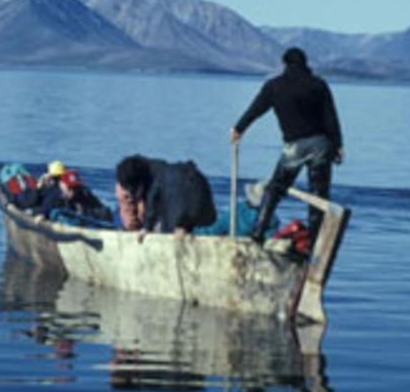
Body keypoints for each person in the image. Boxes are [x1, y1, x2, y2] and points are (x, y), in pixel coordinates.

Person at [230, 47, 344, 245]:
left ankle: (258, 231)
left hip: (294, 147)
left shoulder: (275, 86)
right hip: (320, 145)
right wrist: (338, 146)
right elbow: (330, 117)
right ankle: (315, 241)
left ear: (284, 63)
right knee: (318, 196)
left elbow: (255, 109)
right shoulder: (318, 85)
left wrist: (239, 129)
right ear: (305, 63)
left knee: (275, 189)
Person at [116, 155, 216, 242]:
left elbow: (152, 203)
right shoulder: (162, 169)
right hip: (204, 207)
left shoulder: (153, 179)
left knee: (168, 228)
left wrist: (146, 228)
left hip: (181, 207)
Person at [194, 180, 280, 237]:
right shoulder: (273, 219)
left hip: (235, 247)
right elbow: (269, 239)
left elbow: (214, 230)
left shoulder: (238, 211)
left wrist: (192, 231)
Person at [39, 170, 113, 223]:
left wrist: (84, 211)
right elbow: (45, 208)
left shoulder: (84, 193)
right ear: (62, 185)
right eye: (69, 188)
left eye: (75, 188)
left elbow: (104, 211)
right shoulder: (54, 194)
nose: (73, 192)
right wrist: (43, 215)